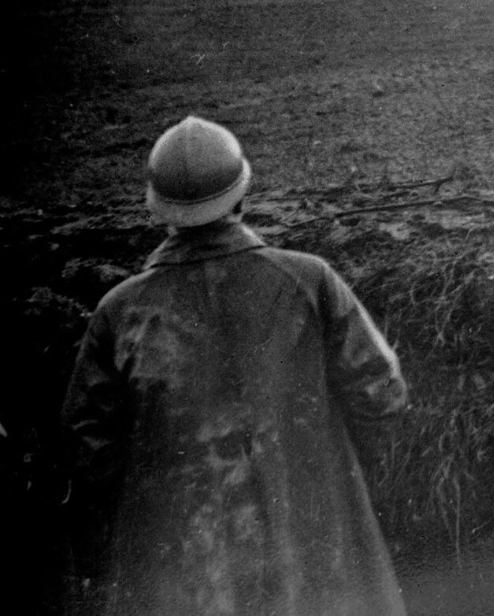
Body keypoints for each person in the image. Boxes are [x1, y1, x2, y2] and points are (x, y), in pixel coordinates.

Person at [62, 115, 410, 616]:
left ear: (161, 212)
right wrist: (345, 481)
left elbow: (88, 449)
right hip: (315, 556)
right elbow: (381, 394)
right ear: (242, 195)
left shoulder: (120, 311)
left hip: (184, 575)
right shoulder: (309, 282)